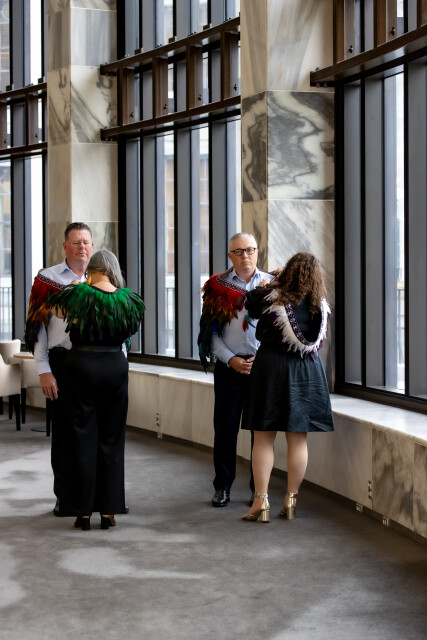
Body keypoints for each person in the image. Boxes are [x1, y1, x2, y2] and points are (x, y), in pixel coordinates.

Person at [48, 249, 145, 531]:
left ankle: (82, 511)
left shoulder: (77, 294)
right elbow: (131, 331)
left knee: (81, 437)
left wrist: (75, 285)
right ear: (113, 269)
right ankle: (109, 511)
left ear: (92, 269)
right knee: (112, 438)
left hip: (81, 365)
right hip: (115, 365)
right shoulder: (128, 299)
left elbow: (56, 311)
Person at [241, 252, 335, 523]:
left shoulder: (272, 298)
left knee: (263, 436)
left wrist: (270, 282)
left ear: (288, 273)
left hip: (272, 368)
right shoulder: (321, 307)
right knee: (298, 439)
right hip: (307, 371)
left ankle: (261, 501)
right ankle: (291, 500)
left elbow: (250, 304)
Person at [198, 233, 274, 507]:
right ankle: (222, 487)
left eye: (250, 250)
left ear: (257, 252)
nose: (245, 256)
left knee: (261, 432)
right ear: (230, 255)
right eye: (239, 251)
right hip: (229, 368)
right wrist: (230, 359)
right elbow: (209, 334)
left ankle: (258, 489)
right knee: (225, 429)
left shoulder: (273, 285)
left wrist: (262, 359)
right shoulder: (217, 286)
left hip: (262, 369)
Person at [25, 222, 93, 516]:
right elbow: (36, 328)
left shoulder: (101, 278)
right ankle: (64, 497)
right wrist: (43, 369)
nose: (81, 247)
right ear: (65, 246)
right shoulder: (47, 279)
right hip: (61, 363)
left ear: (92, 246)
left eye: (86, 242)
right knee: (64, 434)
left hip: (95, 363)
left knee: (94, 432)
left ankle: (94, 496)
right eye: (76, 242)